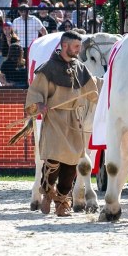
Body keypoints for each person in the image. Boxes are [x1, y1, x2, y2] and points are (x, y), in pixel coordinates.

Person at [22, 30, 100, 217]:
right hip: (55, 118)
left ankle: (62, 202)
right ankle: (48, 192)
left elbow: (93, 90)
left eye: (79, 47)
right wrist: (38, 105)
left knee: (72, 162)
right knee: (54, 159)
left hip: (74, 119)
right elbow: (35, 94)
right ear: (64, 46)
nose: (78, 50)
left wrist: (99, 94)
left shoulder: (80, 68)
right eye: (75, 47)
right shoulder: (47, 69)